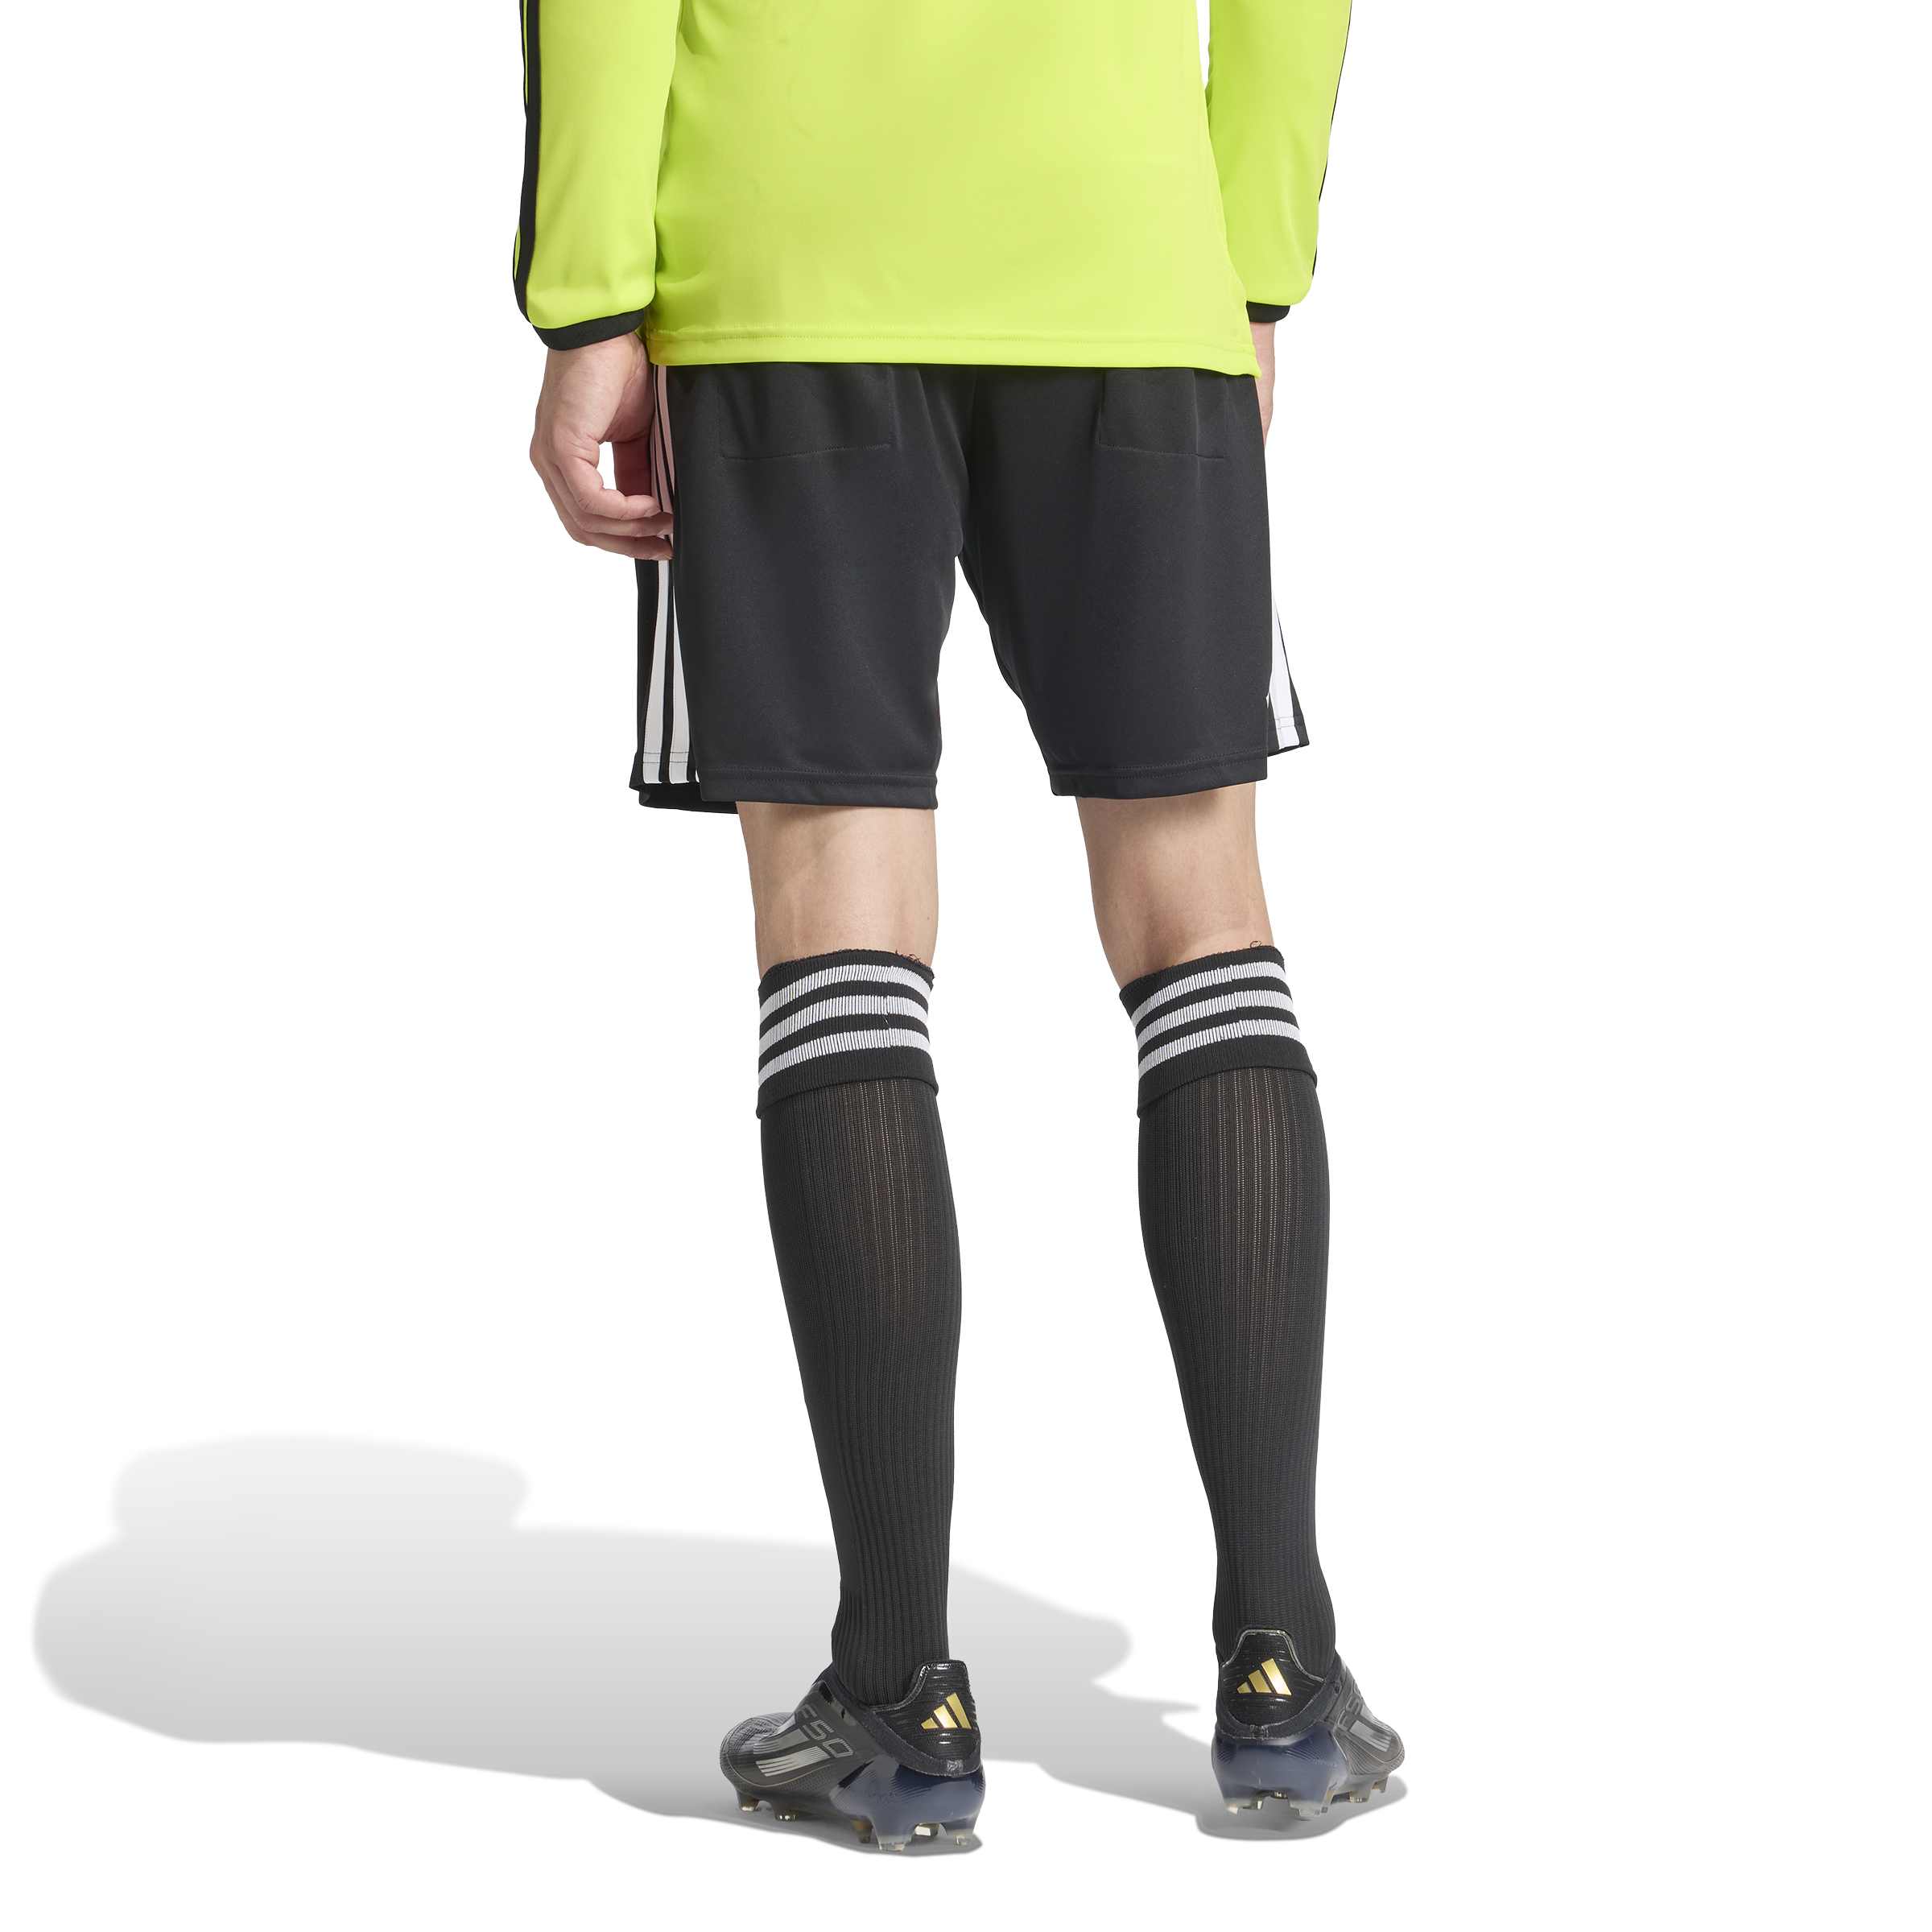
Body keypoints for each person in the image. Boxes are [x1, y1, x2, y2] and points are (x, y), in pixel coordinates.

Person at [513, 0, 1399, 1849]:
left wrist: (588, 298)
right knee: (1199, 915)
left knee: (840, 922)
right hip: (1124, 254)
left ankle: (900, 1695)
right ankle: (1282, 1669)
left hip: (789, 261)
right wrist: (1244, 262)